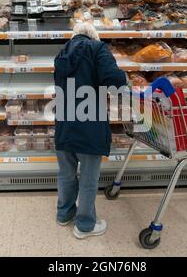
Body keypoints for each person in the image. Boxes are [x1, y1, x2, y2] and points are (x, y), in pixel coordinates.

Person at [54, 22, 127, 239]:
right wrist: (124, 79)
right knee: (87, 177)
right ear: (93, 36)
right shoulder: (97, 48)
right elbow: (114, 82)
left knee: (66, 173)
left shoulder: (61, 54)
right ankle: (85, 226)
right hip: (89, 123)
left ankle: (64, 214)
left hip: (64, 122)